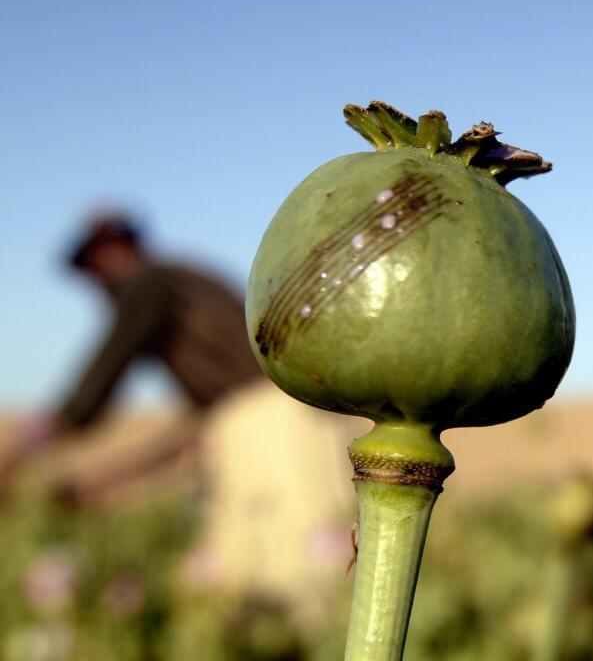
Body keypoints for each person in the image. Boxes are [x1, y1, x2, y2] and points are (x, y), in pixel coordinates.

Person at [0, 213, 356, 624]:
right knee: (249, 584)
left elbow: (91, 393)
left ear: (112, 255)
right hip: (273, 423)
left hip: (275, 429)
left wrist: (16, 454)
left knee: (294, 585)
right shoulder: (188, 292)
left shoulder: (151, 284)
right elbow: (195, 428)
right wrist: (100, 482)